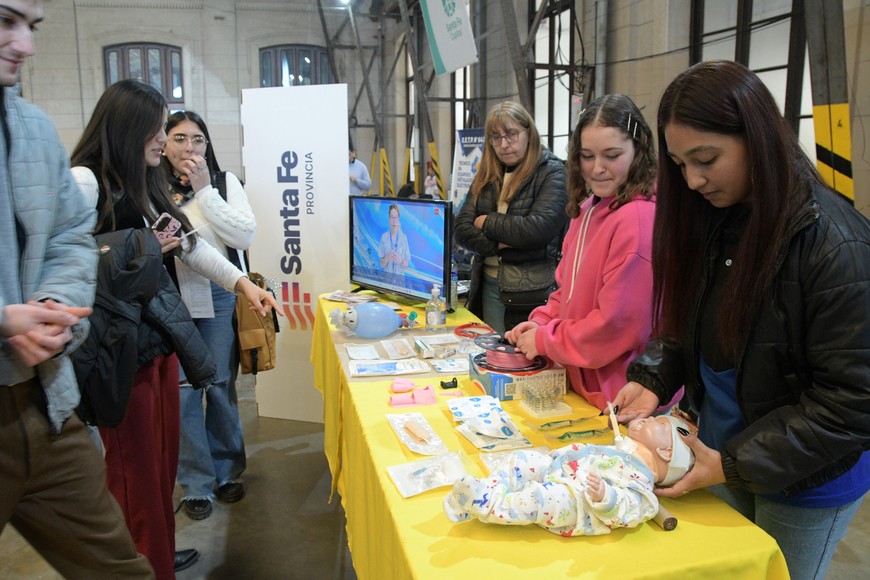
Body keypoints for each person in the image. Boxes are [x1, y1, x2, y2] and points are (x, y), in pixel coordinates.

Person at [612, 60, 870, 579]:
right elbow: (689, 321)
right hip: (726, 449)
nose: (693, 179)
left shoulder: (834, 244)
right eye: (681, 164)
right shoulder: (715, 216)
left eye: (706, 159)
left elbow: (851, 402)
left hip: (806, 478)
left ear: (758, 138)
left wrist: (733, 464)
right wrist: (654, 375)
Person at [70, 79, 278, 579]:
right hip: (116, 352)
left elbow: (189, 246)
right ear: (128, 127)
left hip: (157, 341)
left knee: (160, 469)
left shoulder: (144, 186)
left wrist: (243, 285)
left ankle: (157, 554)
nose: (166, 139)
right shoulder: (85, 183)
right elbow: (55, 259)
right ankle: (142, 564)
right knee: (132, 474)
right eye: (160, 128)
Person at [0, 1, 154, 577]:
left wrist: (47, 307)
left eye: (31, 27)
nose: (25, 46)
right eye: (5, 21)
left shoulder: (34, 130)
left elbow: (70, 236)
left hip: (44, 404)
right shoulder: (93, 174)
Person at [505, 94, 659, 411]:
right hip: (582, 381)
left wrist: (548, 340)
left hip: (620, 395)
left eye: (612, 155)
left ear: (639, 151)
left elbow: (614, 325)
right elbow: (566, 291)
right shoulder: (588, 209)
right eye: (587, 156)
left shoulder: (637, 220)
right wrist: (541, 323)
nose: (597, 168)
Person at [162, 110, 255, 521]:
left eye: (197, 139)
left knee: (219, 385)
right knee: (183, 393)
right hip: (173, 302)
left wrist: (204, 192)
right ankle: (196, 483)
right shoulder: (151, 186)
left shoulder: (222, 182)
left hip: (219, 296)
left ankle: (226, 472)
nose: (189, 147)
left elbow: (242, 235)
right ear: (163, 144)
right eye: (179, 138)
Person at [444, 415, 694, 536]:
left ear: (666, 451)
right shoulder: (622, 451)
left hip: (577, 502)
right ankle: (486, 489)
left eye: (659, 423)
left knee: (541, 499)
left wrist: (606, 496)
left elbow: (631, 509)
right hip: (562, 470)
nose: (649, 417)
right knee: (524, 459)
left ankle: (488, 504)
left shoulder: (642, 485)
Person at [454, 101, 568, 335]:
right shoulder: (487, 174)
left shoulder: (552, 172)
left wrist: (486, 222)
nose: (504, 144)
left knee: (523, 362)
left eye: (511, 135)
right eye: (496, 137)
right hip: (488, 284)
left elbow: (537, 230)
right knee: (493, 357)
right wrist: (499, 243)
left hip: (532, 291)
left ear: (529, 132)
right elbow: (461, 228)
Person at [377, 203, 410, 283]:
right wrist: (387, 258)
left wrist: (401, 260)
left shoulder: (403, 238)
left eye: (396, 218)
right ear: (389, 218)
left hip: (400, 284)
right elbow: (382, 265)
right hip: (387, 283)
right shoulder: (384, 237)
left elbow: (406, 266)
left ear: (398, 219)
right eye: (392, 217)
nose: (394, 221)